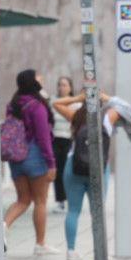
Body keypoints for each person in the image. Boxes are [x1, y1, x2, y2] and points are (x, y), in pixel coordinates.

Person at [56, 91, 131, 260]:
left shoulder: (76, 116)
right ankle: (100, 252)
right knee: (97, 212)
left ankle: (70, 251)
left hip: (73, 167)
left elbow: (57, 104)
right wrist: (106, 97)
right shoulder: (107, 118)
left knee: (73, 210)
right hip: (98, 169)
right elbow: (126, 107)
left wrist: (78, 98)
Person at [2, 70, 59, 256]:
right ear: (32, 82)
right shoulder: (37, 106)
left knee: (23, 199)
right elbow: (44, 137)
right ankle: (40, 244)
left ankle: (3, 226)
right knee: (41, 201)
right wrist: (51, 163)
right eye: (39, 77)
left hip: (16, 157)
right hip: (35, 156)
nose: (42, 79)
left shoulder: (14, 104)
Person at [50, 75, 77, 206]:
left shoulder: (76, 103)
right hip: (55, 139)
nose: (61, 87)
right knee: (57, 170)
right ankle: (60, 200)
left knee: (68, 171)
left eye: (65, 85)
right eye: (60, 84)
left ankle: (70, 198)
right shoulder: (53, 101)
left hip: (69, 140)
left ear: (70, 87)